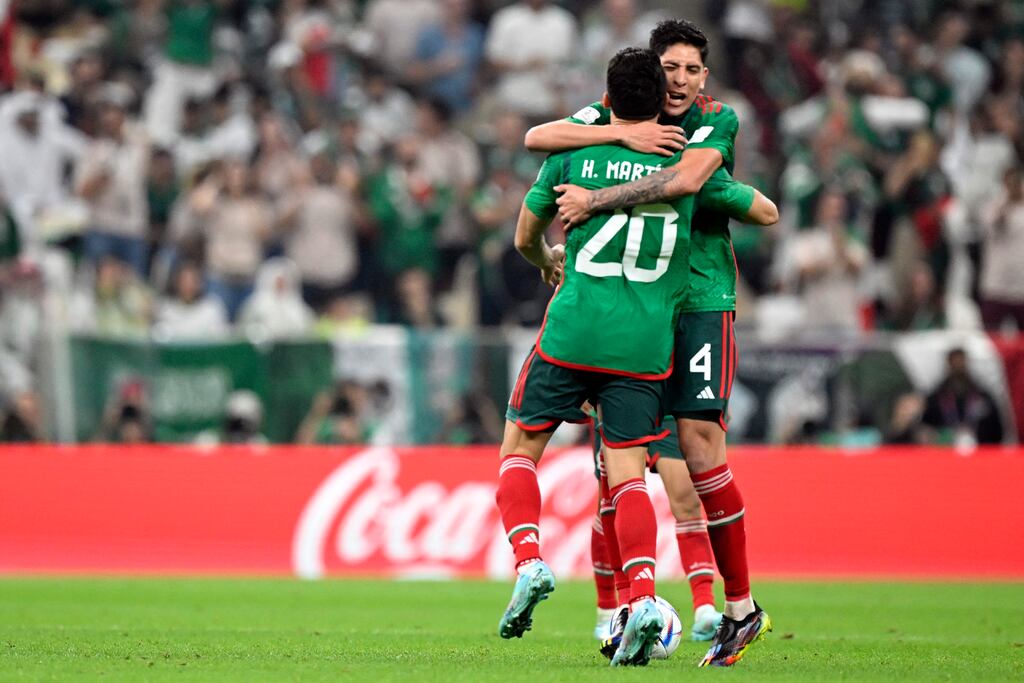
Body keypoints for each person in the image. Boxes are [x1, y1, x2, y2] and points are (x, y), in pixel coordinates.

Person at [495, 47, 770, 667]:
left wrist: (554, 251)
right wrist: (748, 200)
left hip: (574, 331)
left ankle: (534, 561)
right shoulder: (684, 161)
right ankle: (643, 598)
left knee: (520, 450)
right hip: (646, 342)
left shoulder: (574, 152)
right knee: (628, 476)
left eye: (691, 70)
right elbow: (757, 208)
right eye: (669, 70)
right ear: (659, 90)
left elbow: (525, 230)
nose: (681, 80)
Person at [588, 415, 722, 644]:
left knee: (688, 502)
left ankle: (704, 609)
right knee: (611, 502)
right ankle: (609, 611)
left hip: (668, 406)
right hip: (623, 393)